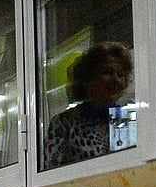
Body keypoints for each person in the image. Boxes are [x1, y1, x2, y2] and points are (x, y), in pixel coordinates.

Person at [41, 41, 133, 169]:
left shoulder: (125, 121)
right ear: (87, 79)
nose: (116, 80)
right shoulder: (64, 123)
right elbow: (49, 172)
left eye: (121, 74)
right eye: (107, 73)